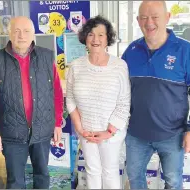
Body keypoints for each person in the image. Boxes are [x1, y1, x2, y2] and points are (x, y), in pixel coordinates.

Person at [122, 1, 190, 189]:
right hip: (136, 134)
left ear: (167, 17)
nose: (149, 22)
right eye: (144, 17)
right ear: (137, 20)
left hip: (172, 134)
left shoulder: (185, 51)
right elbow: (118, 91)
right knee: (135, 179)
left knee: (173, 182)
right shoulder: (130, 52)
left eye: (155, 17)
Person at [0, 16, 64, 189]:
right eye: (17, 31)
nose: (21, 35)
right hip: (11, 132)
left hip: (42, 128)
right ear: (9, 33)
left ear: (33, 34)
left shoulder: (46, 57)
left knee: (42, 175)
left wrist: (57, 123)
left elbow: (57, 93)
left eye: (26, 31)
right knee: (15, 181)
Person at [66, 15, 131, 189]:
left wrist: (109, 132)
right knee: (92, 170)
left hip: (111, 132)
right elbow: (70, 98)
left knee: (110, 171)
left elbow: (124, 102)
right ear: (85, 37)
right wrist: (80, 129)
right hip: (86, 130)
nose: (96, 39)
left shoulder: (119, 66)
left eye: (101, 35)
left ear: (108, 38)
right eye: (91, 34)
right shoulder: (76, 66)